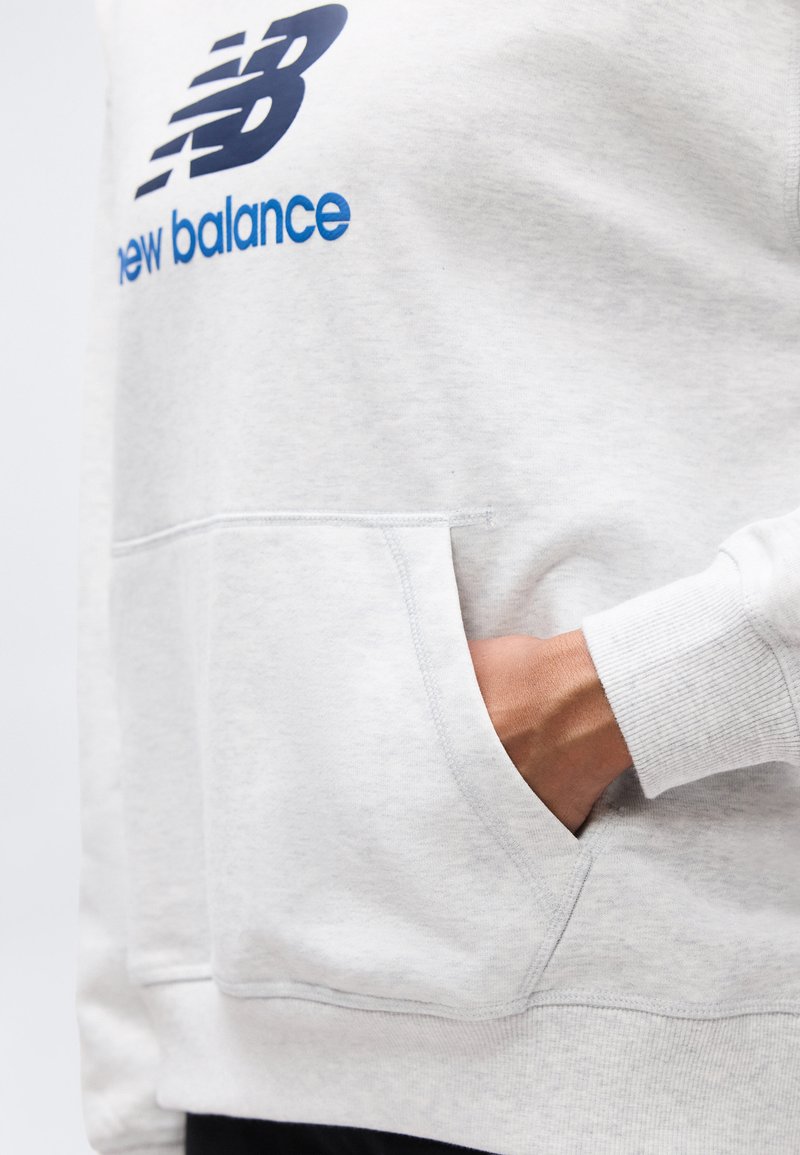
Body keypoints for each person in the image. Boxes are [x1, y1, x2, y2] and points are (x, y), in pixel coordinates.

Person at [75, 2, 800, 1153]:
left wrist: (620, 696)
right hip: (250, 1074)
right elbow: (163, 518)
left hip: (662, 1047)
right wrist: (134, 1072)